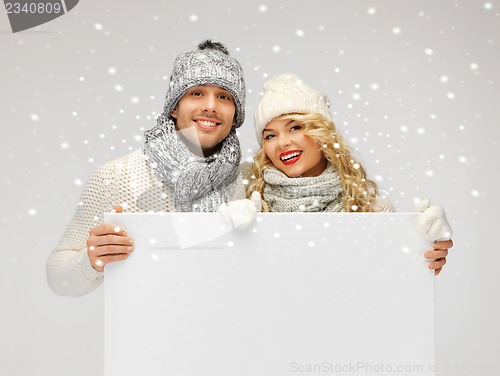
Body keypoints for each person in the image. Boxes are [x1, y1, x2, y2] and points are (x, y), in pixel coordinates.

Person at [46, 40, 252, 297]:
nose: (210, 106)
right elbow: (58, 278)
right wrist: (92, 259)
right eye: (196, 93)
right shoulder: (116, 176)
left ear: (236, 115)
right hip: (148, 332)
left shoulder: (248, 179)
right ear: (174, 107)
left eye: (224, 96)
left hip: (230, 329)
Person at [247, 73, 453, 274]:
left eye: (295, 127)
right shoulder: (249, 203)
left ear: (322, 132)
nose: (282, 142)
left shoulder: (372, 210)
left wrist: (424, 249)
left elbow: (390, 282)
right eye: (270, 135)